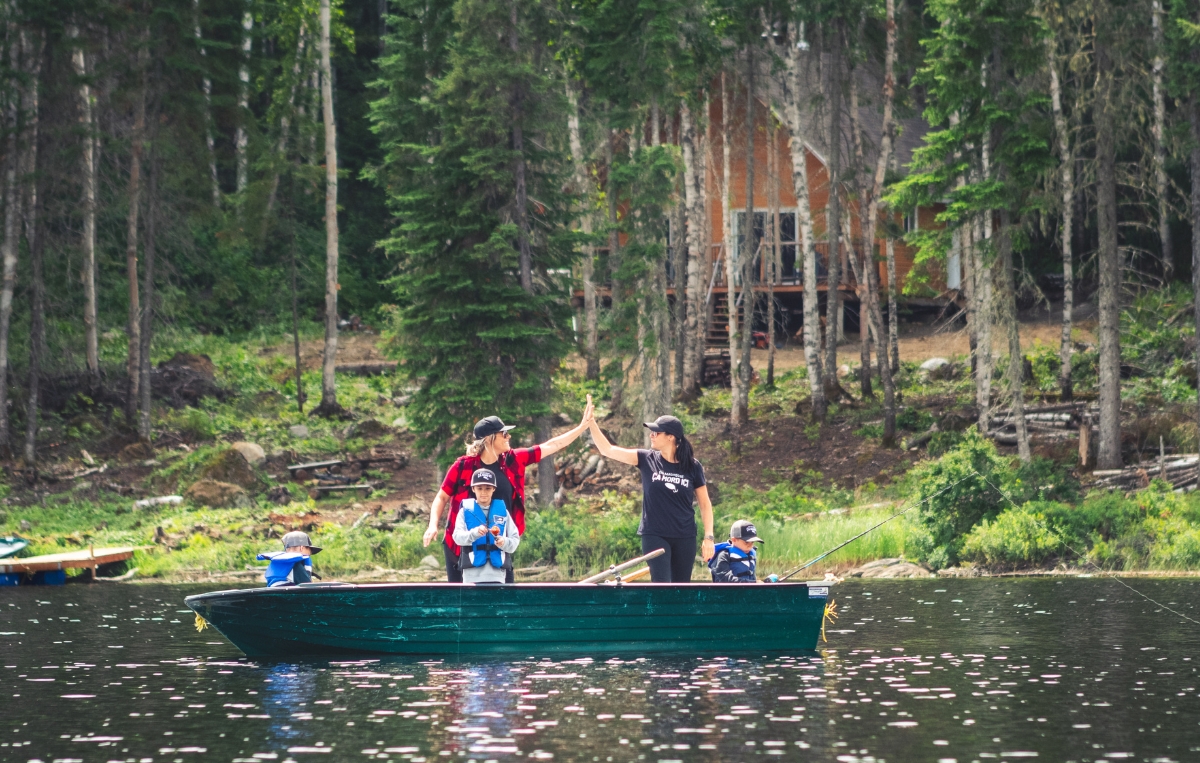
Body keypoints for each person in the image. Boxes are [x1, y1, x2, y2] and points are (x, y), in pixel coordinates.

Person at [423, 401, 594, 582]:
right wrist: (433, 525)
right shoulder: (463, 465)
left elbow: (552, 445)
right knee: (463, 606)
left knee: (503, 603)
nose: (508, 436)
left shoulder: (514, 460)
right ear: (489, 439)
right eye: (504, 433)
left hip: (498, 548)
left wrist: (582, 426)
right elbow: (442, 497)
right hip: (460, 548)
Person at [587, 402, 715, 582]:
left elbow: (705, 503)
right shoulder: (646, 459)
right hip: (655, 534)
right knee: (662, 587)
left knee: (681, 589)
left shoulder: (693, 466)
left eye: (657, 432)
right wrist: (591, 423)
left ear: (671, 437)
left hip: (685, 536)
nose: (652, 435)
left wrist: (709, 537)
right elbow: (607, 450)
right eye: (652, 431)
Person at [451, 469, 520, 583]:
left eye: (488, 488)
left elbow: (515, 540)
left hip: (497, 577)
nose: (483, 492)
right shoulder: (464, 511)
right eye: (479, 488)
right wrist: (475, 533)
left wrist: (504, 542)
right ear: (473, 489)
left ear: (493, 489)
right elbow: (457, 538)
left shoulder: (503, 512)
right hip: (471, 577)